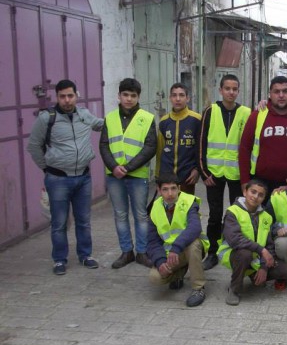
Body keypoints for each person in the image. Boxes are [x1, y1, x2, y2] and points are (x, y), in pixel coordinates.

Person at [27, 79, 104, 275]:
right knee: (59, 223)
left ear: (76, 96)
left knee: (83, 220)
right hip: (58, 179)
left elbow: (101, 125)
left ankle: (85, 255)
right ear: (57, 97)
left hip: (83, 178)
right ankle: (59, 260)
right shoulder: (47, 118)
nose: (67, 100)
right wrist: (46, 168)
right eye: (62, 96)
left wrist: (122, 115)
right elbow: (33, 146)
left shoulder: (84, 114)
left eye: (70, 96)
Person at [100, 78, 157, 269]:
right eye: (125, 95)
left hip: (137, 175)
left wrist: (128, 167)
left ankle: (142, 252)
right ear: (119, 96)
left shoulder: (147, 118)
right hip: (114, 175)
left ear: (138, 97)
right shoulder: (110, 118)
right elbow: (104, 145)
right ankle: (126, 252)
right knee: (120, 214)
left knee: (140, 215)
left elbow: (150, 146)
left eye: (133, 95)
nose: (129, 99)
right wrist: (114, 166)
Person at [199, 74, 251, 270]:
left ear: (238, 91)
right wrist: (204, 173)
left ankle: (235, 250)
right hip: (214, 174)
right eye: (227, 88)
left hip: (237, 174)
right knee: (214, 214)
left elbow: (250, 145)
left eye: (234, 89)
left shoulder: (246, 113)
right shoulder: (210, 111)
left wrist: (247, 176)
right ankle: (212, 252)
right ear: (220, 90)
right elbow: (201, 143)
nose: (231, 92)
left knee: (237, 214)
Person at [218, 179, 287, 305]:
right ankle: (234, 289)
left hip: (256, 258)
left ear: (264, 198)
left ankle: (255, 276)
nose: (256, 196)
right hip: (235, 254)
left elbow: (269, 244)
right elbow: (235, 240)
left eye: (260, 195)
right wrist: (261, 250)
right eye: (253, 192)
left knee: (286, 270)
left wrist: (264, 267)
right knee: (245, 254)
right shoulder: (233, 211)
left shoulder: (266, 216)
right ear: (245, 192)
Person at [146, 173, 207, 307]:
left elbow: (195, 227)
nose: (170, 193)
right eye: (165, 189)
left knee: (194, 245)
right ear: (158, 190)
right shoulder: (155, 208)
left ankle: (198, 288)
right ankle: (179, 273)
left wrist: (176, 247)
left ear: (179, 188)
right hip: (171, 255)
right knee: (155, 277)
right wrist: (160, 262)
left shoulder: (189, 202)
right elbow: (152, 241)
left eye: (173, 188)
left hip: (189, 249)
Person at [156, 83, 202, 195]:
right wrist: (158, 176)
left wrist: (197, 170)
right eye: (174, 95)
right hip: (167, 176)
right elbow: (160, 151)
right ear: (170, 98)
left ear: (187, 98)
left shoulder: (197, 120)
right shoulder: (164, 121)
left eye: (181, 95)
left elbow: (201, 149)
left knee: (186, 204)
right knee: (169, 204)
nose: (178, 99)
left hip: (188, 176)